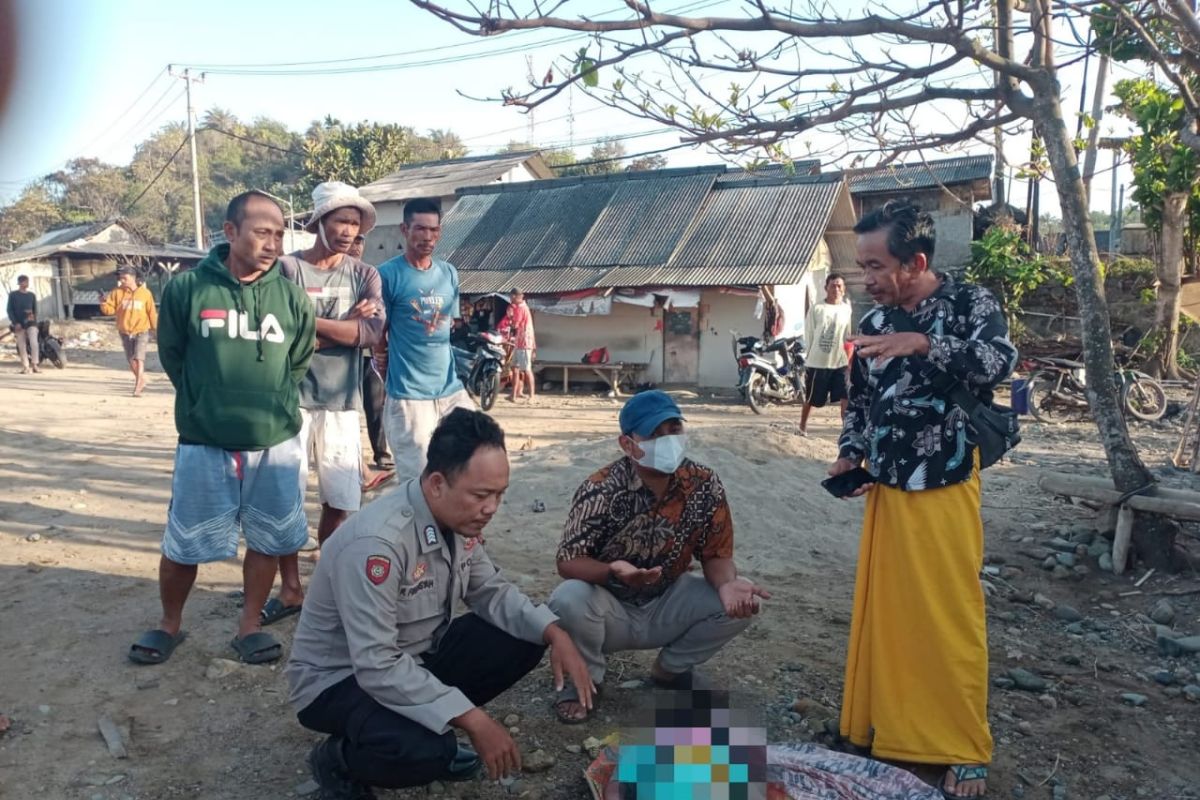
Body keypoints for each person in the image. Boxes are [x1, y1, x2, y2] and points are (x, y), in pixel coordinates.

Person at [286, 408, 594, 797]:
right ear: (436, 484)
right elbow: (376, 663)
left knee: (523, 635)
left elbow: (491, 591)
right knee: (427, 752)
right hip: (340, 680)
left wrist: (555, 632)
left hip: (413, 659)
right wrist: (474, 720)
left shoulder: (457, 521)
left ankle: (426, 718)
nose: (492, 508)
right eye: (481, 495)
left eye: (499, 494)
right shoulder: (378, 545)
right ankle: (339, 759)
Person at [829, 201, 1017, 800]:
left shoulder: (971, 303)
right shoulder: (874, 322)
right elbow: (859, 401)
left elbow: (998, 363)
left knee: (948, 613)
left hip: (946, 478)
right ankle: (885, 730)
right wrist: (849, 453)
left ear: (915, 262)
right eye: (862, 266)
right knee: (888, 614)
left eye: (877, 266)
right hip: (887, 485)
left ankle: (962, 746)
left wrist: (924, 343)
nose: (867, 278)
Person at [128, 190, 315, 667]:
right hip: (203, 441)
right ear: (230, 232)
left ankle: (249, 624)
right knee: (183, 541)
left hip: (273, 441)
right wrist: (204, 400)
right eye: (261, 232)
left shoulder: (291, 297)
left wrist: (266, 401)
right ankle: (170, 623)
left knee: (269, 539)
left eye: (278, 234)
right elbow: (173, 355)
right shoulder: (188, 290)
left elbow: (298, 361)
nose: (272, 243)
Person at [548, 390, 770, 723]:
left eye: (674, 430)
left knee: (742, 598)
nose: (668, 441)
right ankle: (587, 679)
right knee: (568, 597)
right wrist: (613, 573)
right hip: (608, 609)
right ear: (627, 444)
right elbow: (568, 560)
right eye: (655, 434)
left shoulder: (703, 484)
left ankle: (670, 670)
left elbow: (716, 554)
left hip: (667, 600)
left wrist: (727, 585)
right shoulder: (601, 488)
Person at [373, 197, 474, 484]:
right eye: (420, 229)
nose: (427, 237)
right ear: (405, 230)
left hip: (449, 388)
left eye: (434, 230)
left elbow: (450, 323)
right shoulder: (388, 275)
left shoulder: (448, 273)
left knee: (473, 454)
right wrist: (381, 358)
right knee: (416, 480)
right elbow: (380, 330)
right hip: (409, 394)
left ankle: (458, 525)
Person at [350, 233, 393, 474]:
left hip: (368, 355)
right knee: (346, 409)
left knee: (375, 405)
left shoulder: (371, 276)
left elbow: (379, 316)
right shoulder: (336, 276)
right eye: (353, 241)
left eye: (360, 240)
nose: (355, 246)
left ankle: (382, 454)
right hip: (340, 354)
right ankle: (352, 460)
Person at [800, 273, 853, 434]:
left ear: (843, 289)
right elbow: (809, 334)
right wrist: (808, 356)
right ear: (826, 288)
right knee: (812, 398)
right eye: (833, 286)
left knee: (845, 397)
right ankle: (802, 426)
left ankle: (846, 430)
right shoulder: (817, 309)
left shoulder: (846, 309)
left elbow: (847, 335)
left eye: (839, 286)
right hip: (818, 362)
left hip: (839, 362)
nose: (836, 289)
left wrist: (849, 361)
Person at [100, 265, 158, 396]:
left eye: (124, 278)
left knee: (139, 358)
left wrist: (155, 330)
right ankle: (141, 379)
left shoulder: (145, 294)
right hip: (124, 331)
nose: (122, 281)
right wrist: (103, 303)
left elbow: (152, 313)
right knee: (131, 360)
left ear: (133, 278)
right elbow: (109, 310)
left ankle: (138, 386)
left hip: (141, 330)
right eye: (120, 278)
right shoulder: (117, 292)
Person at [498, 288, 536, 402]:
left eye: (511, 297)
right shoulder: (521, 307)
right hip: (518, 342)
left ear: (515, 296)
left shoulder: (520, 308)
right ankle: (514, 395)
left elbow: (515, 325)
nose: (510, 299)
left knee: (527, 370)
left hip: (524, 342)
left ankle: (532, 396)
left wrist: (510, 316)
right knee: (515, 368)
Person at [7, 274, 39, 374]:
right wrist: (15, 322)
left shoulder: (32, 295)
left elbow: (35, 310)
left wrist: (33, 317)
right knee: (22, 345)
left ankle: (35, 364)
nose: (27, 284)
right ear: (20, 283)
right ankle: (26, 367)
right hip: (18, 324)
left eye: (27, 281)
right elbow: (9, 310)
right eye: (25, 282)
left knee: (34, 343)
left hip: (31, 323)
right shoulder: (13, 295)